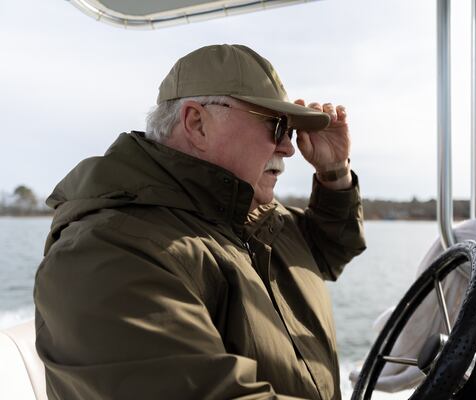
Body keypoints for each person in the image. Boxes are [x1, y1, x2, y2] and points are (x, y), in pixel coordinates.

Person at [34, 44, 366, 400]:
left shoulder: (253, 216)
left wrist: (334, 172)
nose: (288, 147)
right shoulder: (107, 251)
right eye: (276, 125)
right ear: (197, 123)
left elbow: (328, 250)